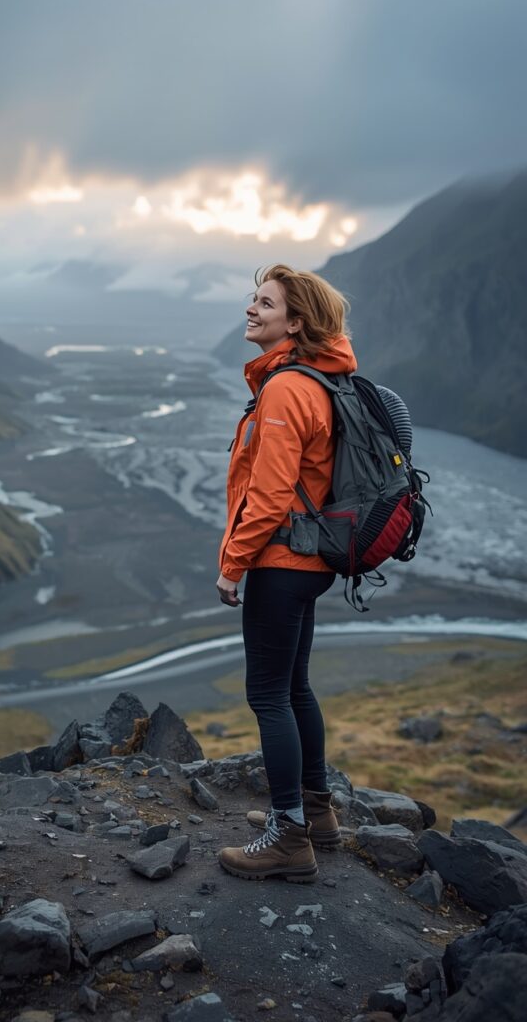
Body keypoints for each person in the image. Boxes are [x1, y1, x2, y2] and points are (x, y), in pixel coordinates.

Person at [215, 263, 356, 884]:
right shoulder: (315, 381)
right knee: (295, 688)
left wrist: (232, 565)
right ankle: (318, 815)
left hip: (280, 558)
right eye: (253, 298)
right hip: (312, 560)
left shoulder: (284, 390)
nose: (251, 308)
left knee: (267, 695)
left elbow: (268, 496)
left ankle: (288, 839)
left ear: (294, 323)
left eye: (265, 303)